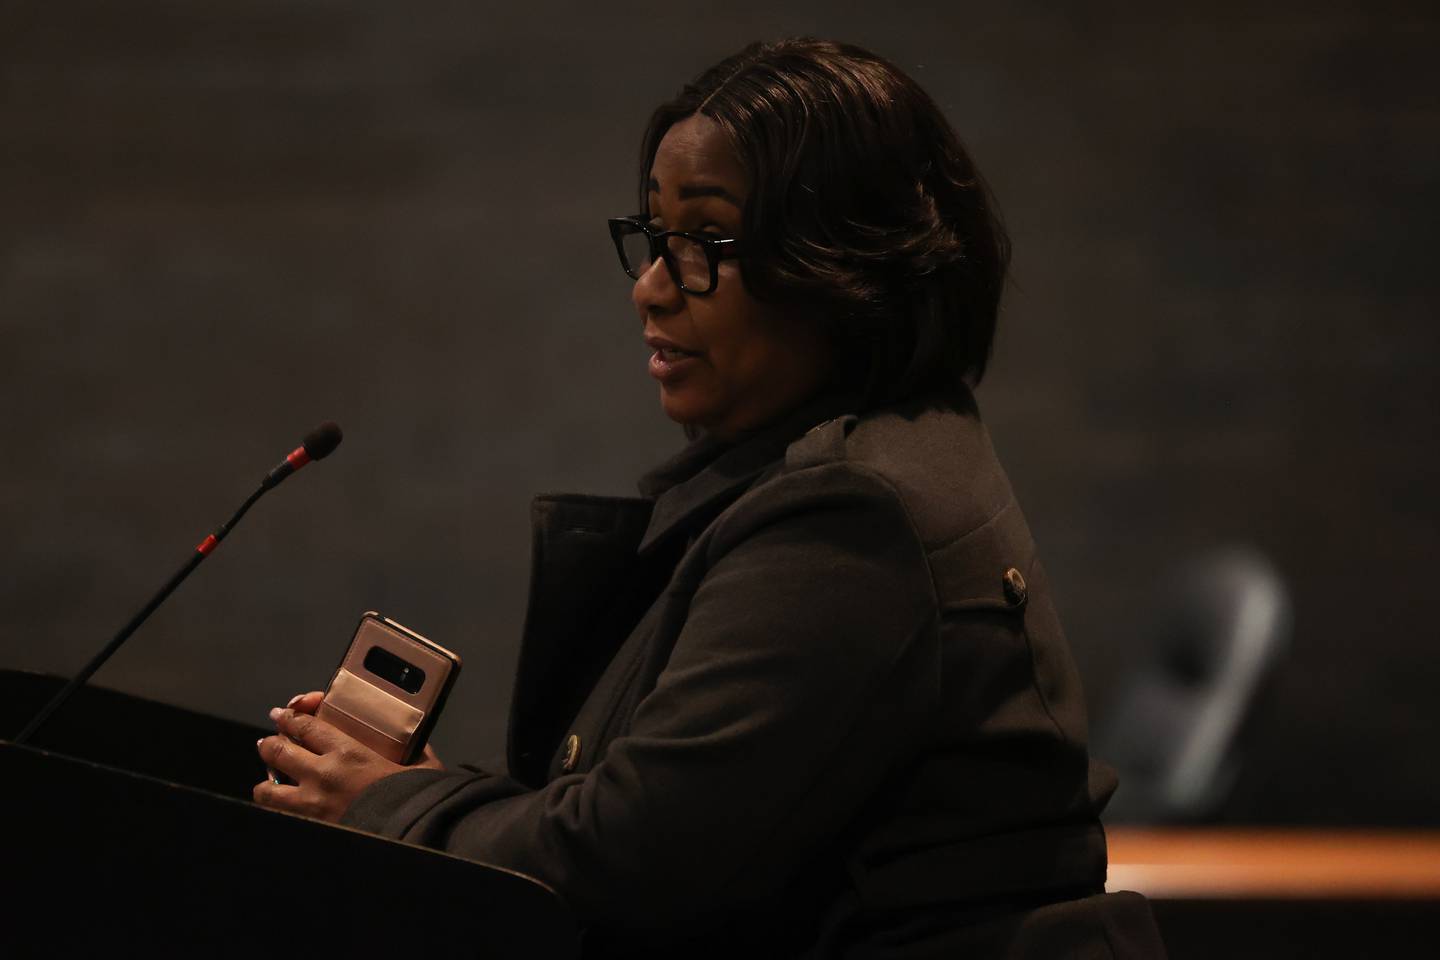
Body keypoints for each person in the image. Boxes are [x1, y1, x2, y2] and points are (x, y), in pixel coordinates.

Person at [253, 38, 1166, 958]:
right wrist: (430, 805)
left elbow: (629, 850)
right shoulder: (873, 455)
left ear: (842, 256)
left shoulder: (854, 512)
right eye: (654, 239)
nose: (651, 289)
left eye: (705, 245)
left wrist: (388, 806)